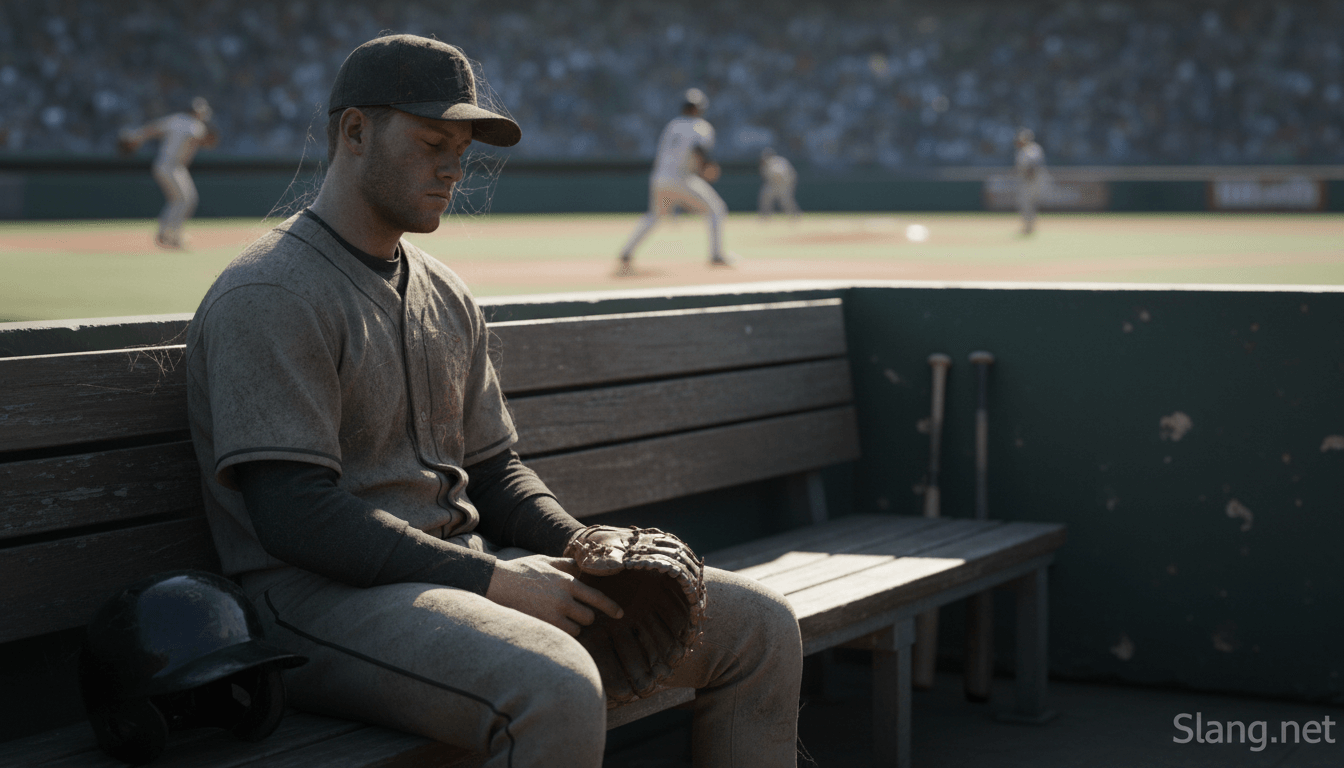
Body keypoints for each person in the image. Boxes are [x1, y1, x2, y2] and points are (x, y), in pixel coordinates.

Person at [184, 35, 802, 768]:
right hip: (313, 604)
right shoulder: (272, 292)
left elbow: (496, 470)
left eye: (464, 147)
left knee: (759, 626)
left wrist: (578, 544)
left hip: (456, 572)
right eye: (432, 141)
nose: (454, 165)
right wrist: (498, 581)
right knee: (558, 687)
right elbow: (294, 515)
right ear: (354, 132)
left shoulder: (445, 290)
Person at [617, 88, 735, 275]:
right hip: (681, 178)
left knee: (655, 215)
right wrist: (706, 168)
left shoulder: (672, 125)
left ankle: (626, 252)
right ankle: (716, 255)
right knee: (716, 209)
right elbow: (698, 151)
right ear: (700, 109)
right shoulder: (701, 126)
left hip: (659, 178)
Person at [118, 97, 219, 249]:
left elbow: (153, 129)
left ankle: (168, 234)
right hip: (172, 167)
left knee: (180, 200)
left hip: (163, 165)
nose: (202, 115)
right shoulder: (196, 125)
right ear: (195, 112)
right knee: (185, 200)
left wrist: (135, 136)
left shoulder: (177, 119)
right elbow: (198, 140)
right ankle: (169, 235)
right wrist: (205, 141)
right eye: (200, 112)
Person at [1014, 128, 1046, 235]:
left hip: (1032, 181)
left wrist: (1029, 177)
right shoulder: (1022, 150)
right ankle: (1027, 227)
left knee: (1029, 204)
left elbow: (1033, 167)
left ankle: (1030, 228)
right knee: (1025, 205)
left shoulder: (1034, 149)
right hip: (1025, 181)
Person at [757, 147, 801, 220]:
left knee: (785, 201)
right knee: (765, 197)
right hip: (773, 184)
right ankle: (765, 216)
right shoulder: (765, 164)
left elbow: (782, 175)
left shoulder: (778, 161)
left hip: (784, 184)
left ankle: (795, 216)